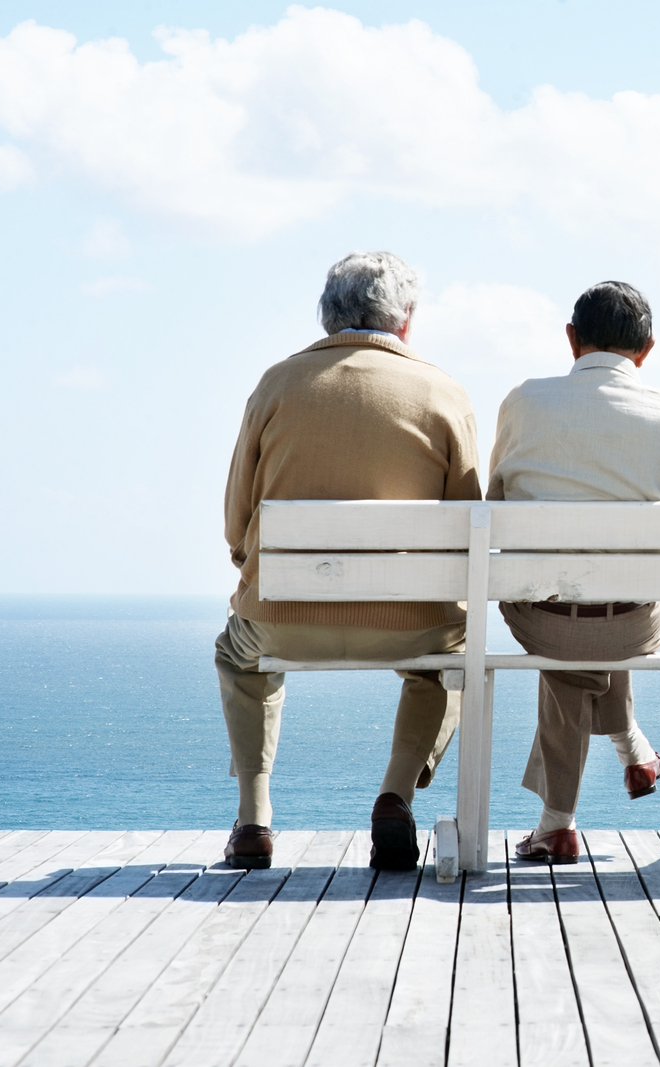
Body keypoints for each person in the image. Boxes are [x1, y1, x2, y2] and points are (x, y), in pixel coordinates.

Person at [215, 251, 481, 872]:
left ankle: (253, 820)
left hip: (283, 615)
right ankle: (394, 793)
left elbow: (236, 521)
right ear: (406, 321)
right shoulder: (443, 391)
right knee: (452, 658)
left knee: (239, 655)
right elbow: (470, 525)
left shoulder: (276, 384)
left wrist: (253, 569)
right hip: (409, 621)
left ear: (327, 315)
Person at [491, 281, 660, 865]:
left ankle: (558, 823)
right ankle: (632, 751)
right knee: (609, 599)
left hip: (541, 615)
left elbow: (497, 500)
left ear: (571, 339)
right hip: (633, 622)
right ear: (647, 349)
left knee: (567, 626)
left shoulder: (524, 401)